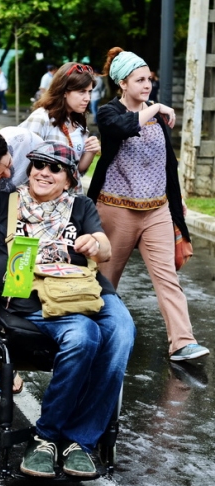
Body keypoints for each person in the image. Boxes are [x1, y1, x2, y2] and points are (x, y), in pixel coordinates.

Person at [0, 141, 136, 478]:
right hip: (26, 303)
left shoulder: (81, 205)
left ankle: (80, 440)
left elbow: (104, 245)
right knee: (84, 335)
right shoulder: (2, 204)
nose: (43, 172)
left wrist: (96, 244)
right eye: (38, 165)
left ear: (70, 179)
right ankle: (47, 438)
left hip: (85, 294)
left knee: (122, 332)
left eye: (55, 168)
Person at [87, 47, 210, 362]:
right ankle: (90, 337)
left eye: (149, 79)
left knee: (168, 277)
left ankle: (182, 342)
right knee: (105, 279)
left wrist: (177, 204)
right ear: (122, 84)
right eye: (139, 80)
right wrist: (155, 108)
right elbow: (123, 127)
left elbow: (166, 165)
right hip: (116, 210)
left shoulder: (157, 117)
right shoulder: (108, 111)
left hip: (156, 210)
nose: (147, 85)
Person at [19, 62, 101, 193]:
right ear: (64, 91)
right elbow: (21, 166)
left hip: (71, 202)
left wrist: (90, 151)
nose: (88, 98)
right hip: (43, 206)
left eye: (89, 92)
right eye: (82, 92)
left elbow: (76, 172)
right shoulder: (42, 118)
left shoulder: (78, 122)